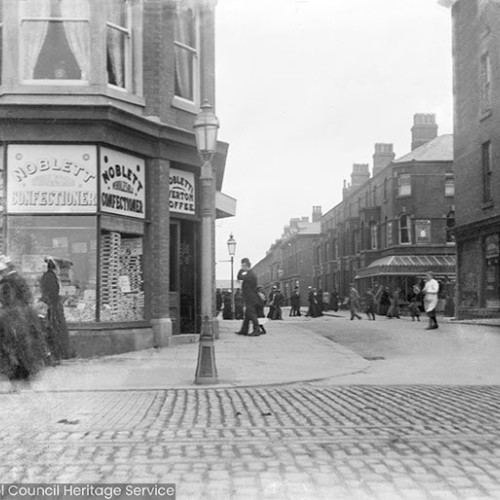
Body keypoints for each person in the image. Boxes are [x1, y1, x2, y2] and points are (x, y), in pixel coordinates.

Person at [0, 256, 48, 391]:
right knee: (23, 348)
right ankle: (24, 380)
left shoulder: (8, 282)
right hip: (21, 315)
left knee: (12, 349)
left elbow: (7, 299)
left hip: (13, 316)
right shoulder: (16, 280)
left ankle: (17, 381)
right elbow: (27, 297)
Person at [40, 257, 72, 360]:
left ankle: (59, 353)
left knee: (55, 330)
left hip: (51, 306)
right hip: (53, 308)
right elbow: (52, 294)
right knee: (57, 330)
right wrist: (61, 299)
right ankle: (61, 353)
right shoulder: (50, 277)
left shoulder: (47, 276)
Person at [235, 258, 261, 336]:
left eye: (243, 265)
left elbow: (239, 277)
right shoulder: (249, 274)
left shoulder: (250, 275)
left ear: (246, 265)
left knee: (252, 314)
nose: (241, 266)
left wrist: (241, 270)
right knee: (247, 315)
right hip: (250, 297)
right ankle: (244, 330)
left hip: (251, 298)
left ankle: (257, 330)